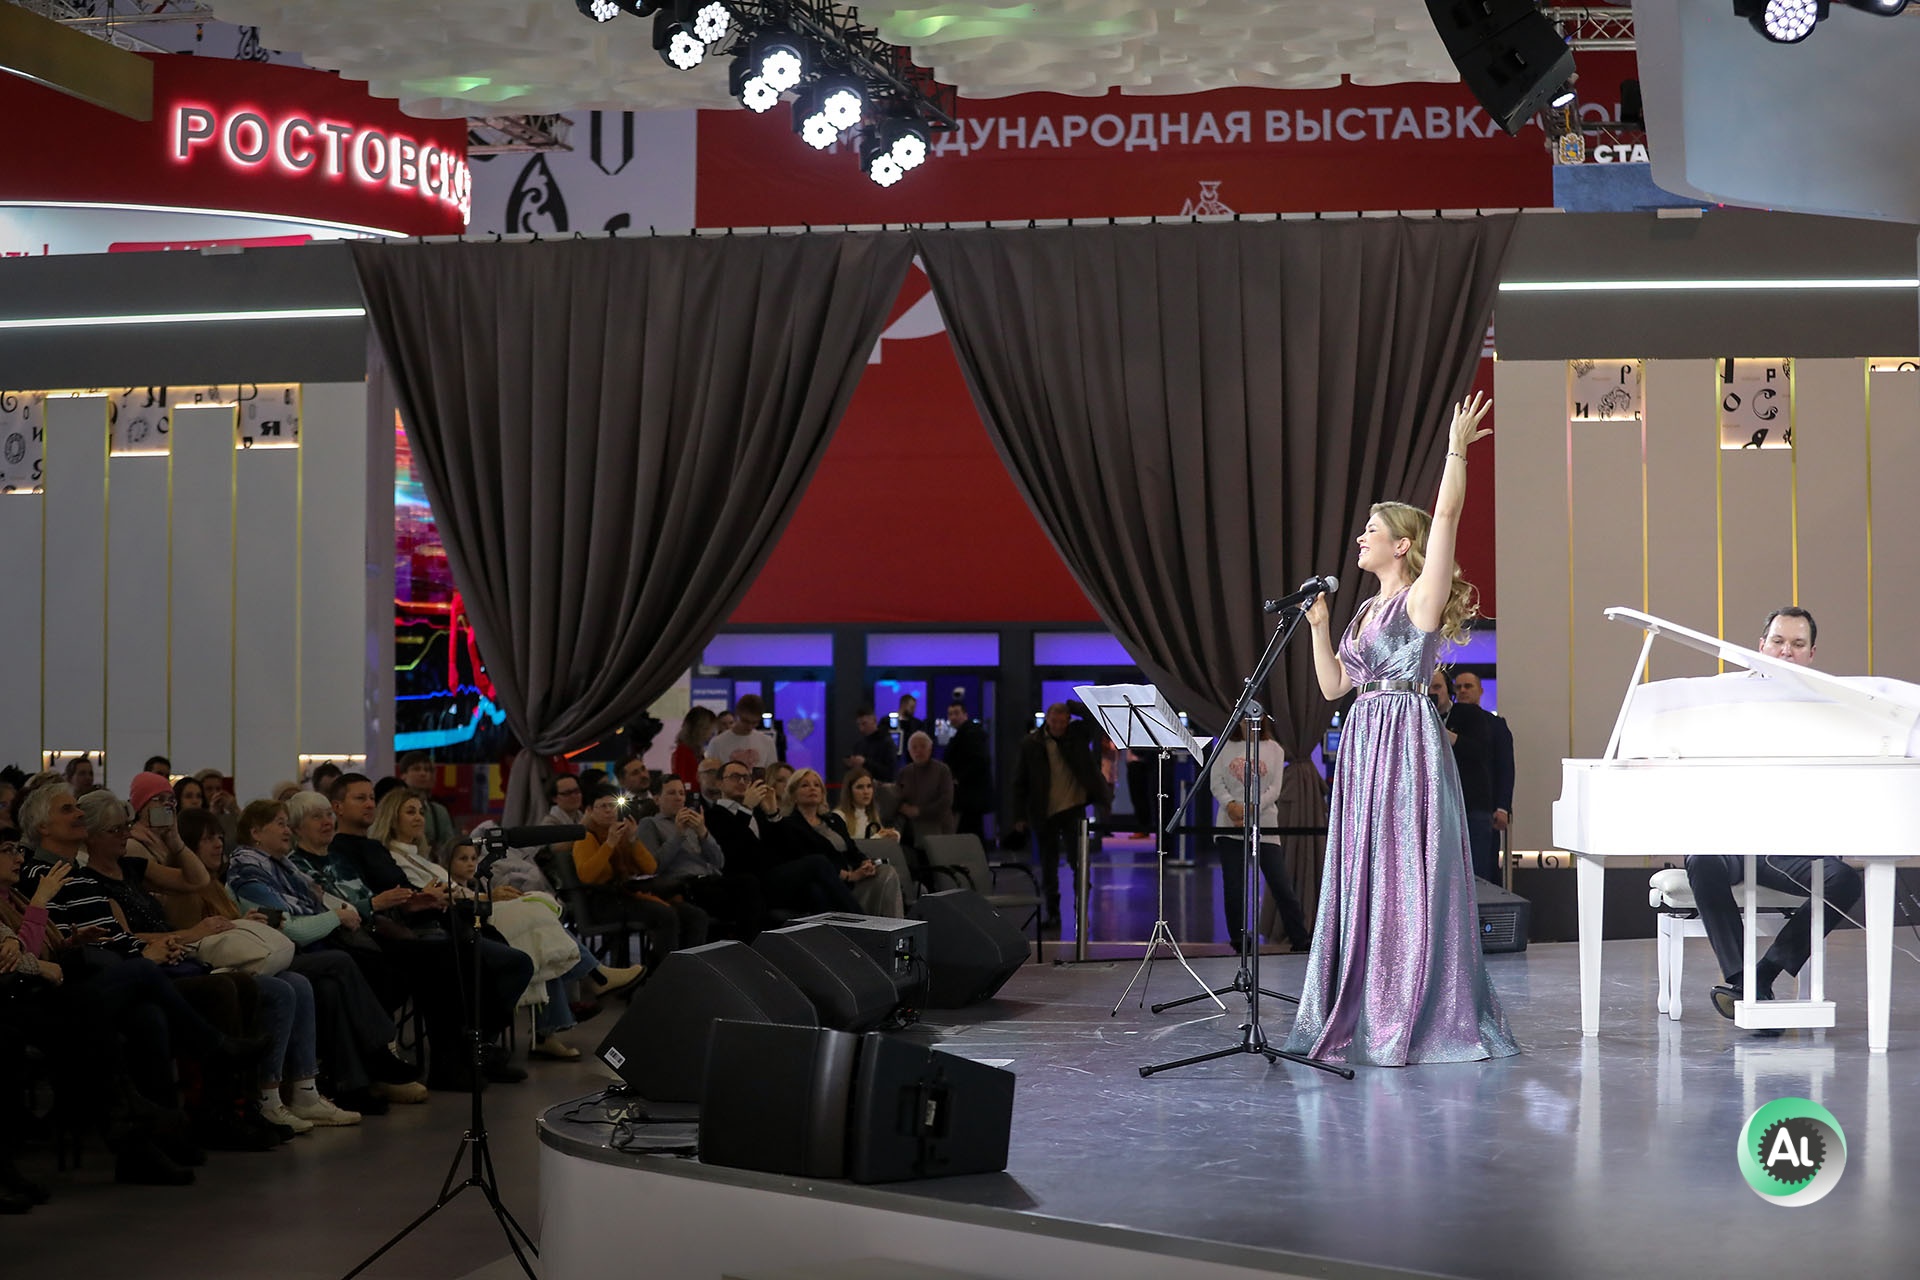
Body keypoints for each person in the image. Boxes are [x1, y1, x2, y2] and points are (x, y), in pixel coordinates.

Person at [1284, 393, 1518, 1067]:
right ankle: (1363, 998)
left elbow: (1446, 516)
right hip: (1363, 735)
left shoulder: (1419, 599)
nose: (1360, 538)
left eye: (1371, 529)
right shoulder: (1362, 611)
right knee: (1364, 867)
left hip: (1405, 735)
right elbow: (1334, 687)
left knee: (1405, 868)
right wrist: (1320, 628)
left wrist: (1456, 450)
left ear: (1402, 545)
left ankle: (1411, 1005)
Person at [1686, 606, 1863, 1021]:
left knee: (1844, 880)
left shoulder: (1831, 708)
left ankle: (1763, 974)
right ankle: (1742, 980)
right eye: (1778, 641)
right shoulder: (1724, 697)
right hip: (1731, 840)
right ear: (1761, 645)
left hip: (1790, 848)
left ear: (1811, 653)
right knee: (1701, 859)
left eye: (1798, 644)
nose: (1786, 651)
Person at [327, 773, 534, 1090]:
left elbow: (401, 890)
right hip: (385, 933)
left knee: (491, 957)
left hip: (419, 921)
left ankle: (475, 1048)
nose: (369, 804)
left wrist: (421, 898)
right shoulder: (340, 851)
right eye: (360, 798)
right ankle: (457, 1058)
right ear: (338, 807)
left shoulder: (374, 847)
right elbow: (368, 898)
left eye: (371, 797)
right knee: (454, 957)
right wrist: (414, 900)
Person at [228, 796, 430, 1118]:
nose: (287, 830)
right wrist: (336, 917)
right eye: (280, 824)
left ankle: (352, 1085)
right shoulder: (249, 874)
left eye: (287, 823)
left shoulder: (285, 869)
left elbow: (321, 909)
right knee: (341, 961)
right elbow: (291, 928)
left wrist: (343, 913)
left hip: (301, 951)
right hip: (272, 956)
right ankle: (378, 1050)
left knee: (333, 985)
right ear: (255, 832)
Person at [169, 803, 358, 1132]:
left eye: (219, 837)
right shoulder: (190, 888)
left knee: (300, 982)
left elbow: (227, 927)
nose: (218, 844)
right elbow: (191, 940)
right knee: (294, 983)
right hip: (210, 970)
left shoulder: (217, 883)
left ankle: (305, 1090)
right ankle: (268, 1096)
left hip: (237, 961)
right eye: (208, 839)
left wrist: (242, 922)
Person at [435, 837, 642, 1061]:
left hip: (496, 933)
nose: (470, 863)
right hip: (478, 942)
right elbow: (463, 910)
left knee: (543, 939)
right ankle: (595, 976)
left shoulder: (477, 886)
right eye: (463, 859)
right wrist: (491, 899)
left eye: (473, 858)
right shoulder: (447, 886)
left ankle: (554, 1025)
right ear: (447, 862)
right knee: (539, 933)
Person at [1209, 717, 1312, 954]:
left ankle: (1300, 938)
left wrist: (1251, 807)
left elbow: (1274, 789)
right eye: (1244, 719)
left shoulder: (1275, 749)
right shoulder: (1223, 746)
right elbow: (1216, 783)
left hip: (1264, 824)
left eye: (1254, 718)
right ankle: (1239, 941)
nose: (1249, 723)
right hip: (1230, 825)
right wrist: (1231, 805)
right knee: (1234, 887)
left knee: (1280, 884)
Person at [571, 784, 710, 957]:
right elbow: (587, 876)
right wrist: (609, 845)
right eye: (602, 806)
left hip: (631, 893)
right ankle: (664, 967)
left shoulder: (622, 832)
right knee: (665, 915)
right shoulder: (586, 837)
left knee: (695, 915)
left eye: (612, 805)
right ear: (590, 811)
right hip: (605, 900)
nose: (609, 811)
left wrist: (633, 840)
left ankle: (690, 964)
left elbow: (650, 867)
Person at [707, 761, 859, 915]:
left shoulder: (758, 812)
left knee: (815, 891)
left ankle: (841, 928)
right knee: (818, 862)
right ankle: (862, 919)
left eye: (746, 778)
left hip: (774, 876)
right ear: (719, 783)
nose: (741, 782)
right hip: (746, 881)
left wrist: (773, 814)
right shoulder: (714, 814)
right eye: (735, 777)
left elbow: (789, 848)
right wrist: (746, 808)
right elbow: (734, 849)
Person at [1010, 702, 1111, 926]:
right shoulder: (1031, 744)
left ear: (1068, 721)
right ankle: (1053, 913)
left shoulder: (1077, 736)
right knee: (1048, 865)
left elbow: (1095, 719)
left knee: (1080, 862)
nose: (1057, 726)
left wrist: (1072, 706)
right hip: (1044, 811)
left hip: (1074, 808)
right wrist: (1019, 816)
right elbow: (1020, 782)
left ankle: (1080, 909)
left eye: (1063, 721)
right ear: (1047, 720)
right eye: (1054, 721)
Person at [634, 774, 763, 937]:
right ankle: (740, 941)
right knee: (741, 900)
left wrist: (703, 834)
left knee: (749, 883)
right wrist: (679, 835)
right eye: (672, 793)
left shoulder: (693, 823)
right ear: (657, 799)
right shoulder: (650, 823)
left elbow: (719, 862)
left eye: (681, 793)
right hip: (683, 884)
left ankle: (749, 944)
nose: (678, 798)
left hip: (709, 879)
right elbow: (654, 866)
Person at [775, 769, 904, 917]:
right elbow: (809, 859)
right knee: (817, 890)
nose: (812, 788)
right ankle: (862, 922)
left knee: (886, 871)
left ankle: (895, 925)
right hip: (829, 881)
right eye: (805, 785)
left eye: (817, 785)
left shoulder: (834, 820)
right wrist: (849, 875)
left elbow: (853, 850)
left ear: (822, 792)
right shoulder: (790, 824)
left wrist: (864, 862)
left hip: (854, 875)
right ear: (793, 795)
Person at [1428, 669, 1501, 884]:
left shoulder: (1470, 714)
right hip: (1437, 808)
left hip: (1471, 806)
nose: (1433, 693)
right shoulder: (1418, 721)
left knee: (1476, 874)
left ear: (1447, 690)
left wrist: (1445, 735)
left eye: (1438, 687)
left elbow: (1480, 752)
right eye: (1428, 689)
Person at [123, 771, 215, 931]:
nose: (167, 805)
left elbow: (201, 879)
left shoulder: (167, 842)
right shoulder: (133, 845)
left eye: (171, 799)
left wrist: (176, 841)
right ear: (140, 806)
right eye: (159, 799)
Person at [1450, 672, 1515, 839]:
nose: (1463, 690)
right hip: (1455, 803)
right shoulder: (1448, 721)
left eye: (1468, 686)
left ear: (1480, 690)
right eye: (1458, 687)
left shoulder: (1495, 724)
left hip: (1486, 806)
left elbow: (1505, 766)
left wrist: (1502, 807)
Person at [943, 699, 993, 838]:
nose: (953, 717)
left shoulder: (970, 734)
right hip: (971, 795)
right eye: (950, 714)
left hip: (969, 795)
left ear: (965, 715)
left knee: (969, 831)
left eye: (956, 713)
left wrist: (958, 778)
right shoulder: (968, 733)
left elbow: (979, 761)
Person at [894, 731, 956, 837]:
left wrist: (919, 811)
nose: (919, 750)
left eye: (923, 746)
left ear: (930, 749)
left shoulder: (942, 770)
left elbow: (946, 800)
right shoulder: (904, 772)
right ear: (909, 751)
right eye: (914, 747)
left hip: (939, 829)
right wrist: (902, 807)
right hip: (913, 831)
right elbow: (897, 797)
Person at [398, 751, 456, 855]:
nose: (423, 773)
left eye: (427, 770)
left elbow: (450, 847)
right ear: (403, 775)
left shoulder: (439, 811)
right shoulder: (394, 808)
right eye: (416, 769)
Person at [706, 694, 779, 769]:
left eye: (755, 722)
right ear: (737, 714)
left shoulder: (767, 743)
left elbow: (772, 774)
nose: (749, 726)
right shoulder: (717, 743)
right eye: (745, 721)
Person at [845, 706, 899, 782]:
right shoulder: (859, 745)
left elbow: (890, 773)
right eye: (859, 725)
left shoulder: (887, 742)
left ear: (874, 720)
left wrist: (865, 763)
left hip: (881, 787)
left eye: (864, 724)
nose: (861, 729)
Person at [671, 707, 718, 786]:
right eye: (709, 728)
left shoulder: (695, 751)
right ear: (700, 729)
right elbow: (685, 782)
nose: (712, 733)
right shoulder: (684, 752)